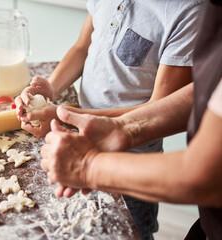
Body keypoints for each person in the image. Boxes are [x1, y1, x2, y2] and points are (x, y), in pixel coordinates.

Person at [16, 0, 206, 239]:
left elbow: (156, 110)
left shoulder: (189, 12)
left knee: (128, 232)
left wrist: (63, 116)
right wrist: (49, 91)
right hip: (77, 143)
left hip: (132, 167)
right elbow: (81, 48)